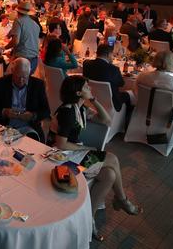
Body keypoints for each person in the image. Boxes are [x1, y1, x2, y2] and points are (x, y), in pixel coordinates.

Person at [51, 76, 141, 241]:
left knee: (109, 175)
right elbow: (61, 144)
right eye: (87, 88)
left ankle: (88, 219)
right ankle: (122, 200)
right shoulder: (67, 112)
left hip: (74, 155)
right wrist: (84, 148)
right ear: (78, 93)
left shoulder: (81, 109)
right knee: (112, 159)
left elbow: (107, 120)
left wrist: (93, 99)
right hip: (60, 161)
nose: (90, 89)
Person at [0, 58, 51, 140]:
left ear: (29, 73)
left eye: (25, 77)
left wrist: (32, 116)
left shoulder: (38, 85)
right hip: (5, 127)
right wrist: (4, 112)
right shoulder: (0, 83)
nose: (21, 80)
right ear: (12, 71)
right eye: (18, 77)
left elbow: (46, 111)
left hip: (28, 127)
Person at [82, 44, 134, 126]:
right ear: (108, 54)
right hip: (111, 101)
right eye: (112, 54)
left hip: (90, 97)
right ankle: (124, 125)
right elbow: (122, 84)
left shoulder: (86, 64)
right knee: (131, 95)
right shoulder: (113, 69)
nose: (112, 57)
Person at [5, 1, 41, 74]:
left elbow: (16, 41)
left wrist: (5, 48)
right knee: (25, 82)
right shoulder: (35, 25)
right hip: (34, 59)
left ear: (18, 12)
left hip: (22, 58)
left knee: (9, 77)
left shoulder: (18, 21)